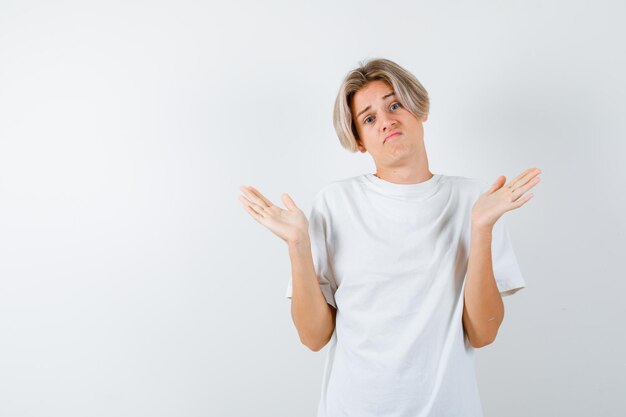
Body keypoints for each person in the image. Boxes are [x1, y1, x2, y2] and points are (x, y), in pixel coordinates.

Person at [238, 58, 541, 417]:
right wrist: (298, 246)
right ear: (360, 141)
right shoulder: (335, 204)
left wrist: (481, 229)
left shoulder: (477, 202)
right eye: (369, 118)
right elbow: (313, 338)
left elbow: (482, 334)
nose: (386, 120)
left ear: (419, 110)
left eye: (394, 104)